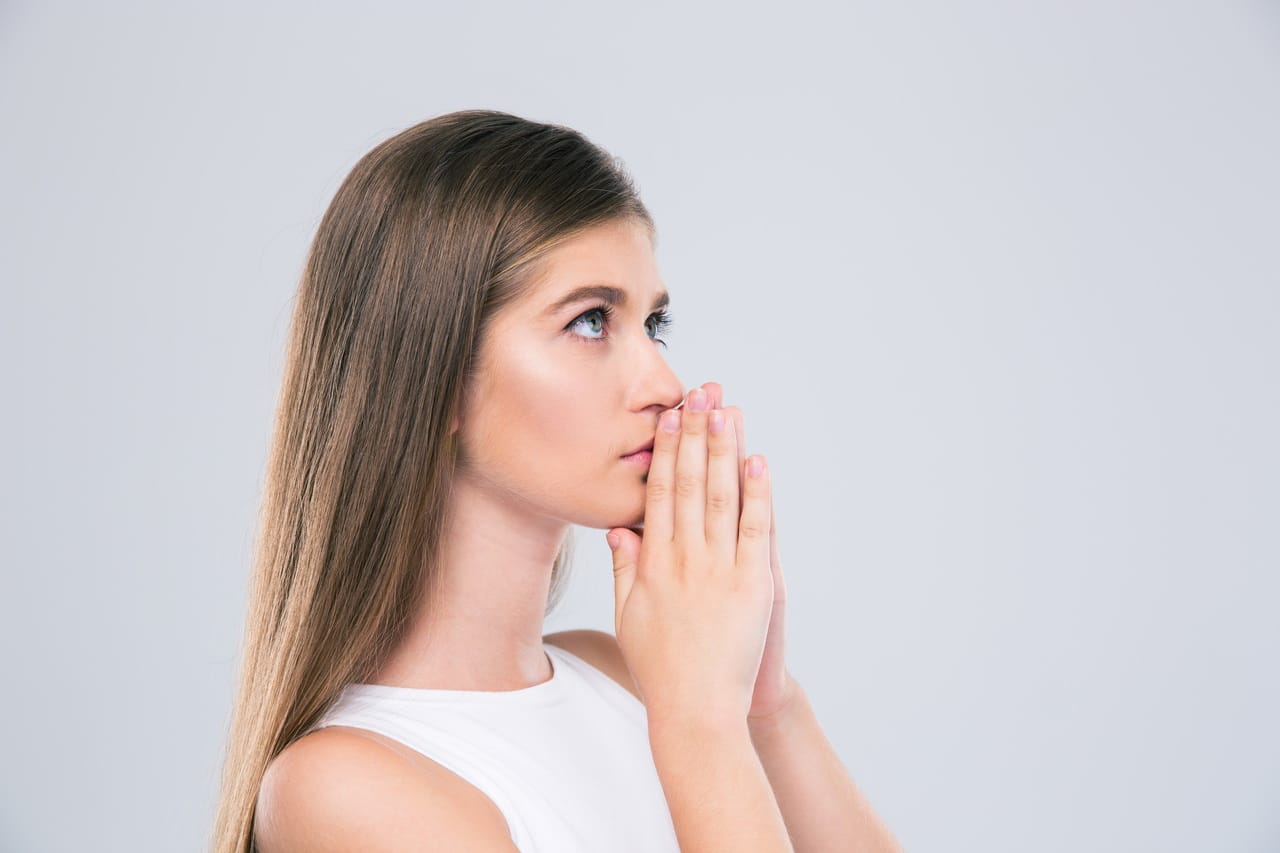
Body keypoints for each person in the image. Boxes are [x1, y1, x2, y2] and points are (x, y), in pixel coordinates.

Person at [211, 109, 903, 852]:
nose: (664, 382)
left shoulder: (623, 675)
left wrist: (767, 706)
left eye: (653, 325)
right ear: (433, 377)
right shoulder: (343, 789)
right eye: (591, 321)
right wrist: (700, 722)